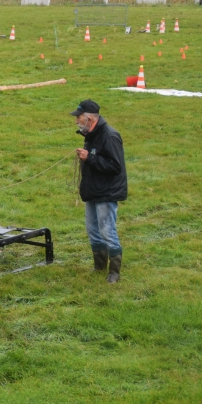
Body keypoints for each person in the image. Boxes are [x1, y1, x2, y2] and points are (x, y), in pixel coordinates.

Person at [70, 99, 127, 283]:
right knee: (93, 230)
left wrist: (90, 157)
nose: (76, 121)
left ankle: (114, 273)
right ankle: (99, 266)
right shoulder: (90, 135)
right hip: (93, 190)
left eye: (79, 118)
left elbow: (115, 166)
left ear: (89, 118)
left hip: (107, 192)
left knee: (107, 231)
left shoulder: (110, 136)